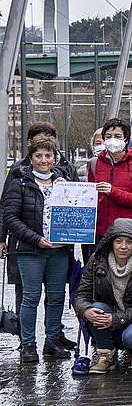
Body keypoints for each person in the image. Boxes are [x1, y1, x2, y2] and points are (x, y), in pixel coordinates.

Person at [3, 135, 75, 363]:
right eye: (39, 156)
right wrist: (35, 239)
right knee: (31, 297)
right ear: (31, 159)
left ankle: (52, 341)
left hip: (59, 249)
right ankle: (28, 344)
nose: (44, 160)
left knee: (56, 297)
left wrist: (71, 193)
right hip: (30, 250)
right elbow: (11, 217)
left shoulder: (64, 182)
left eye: (48, 156)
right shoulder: (20, 182)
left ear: (55, 158)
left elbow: (78, 212)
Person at [74, 218, 132, 374]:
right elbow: (82, 294)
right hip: (107, 315)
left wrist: (118, 319)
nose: (123, 247)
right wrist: (85, 310)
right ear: (111, 242)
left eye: (129, 242)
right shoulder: (97, 261)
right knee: (96, 308)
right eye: (118, 241)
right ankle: (105, 354)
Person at [88, 118, 132, 240]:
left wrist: (112, 192)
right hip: (101, 233)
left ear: (126, 139)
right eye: (108, 136)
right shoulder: (94, 164)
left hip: (129, 233)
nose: (112, 140)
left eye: (117, 136)